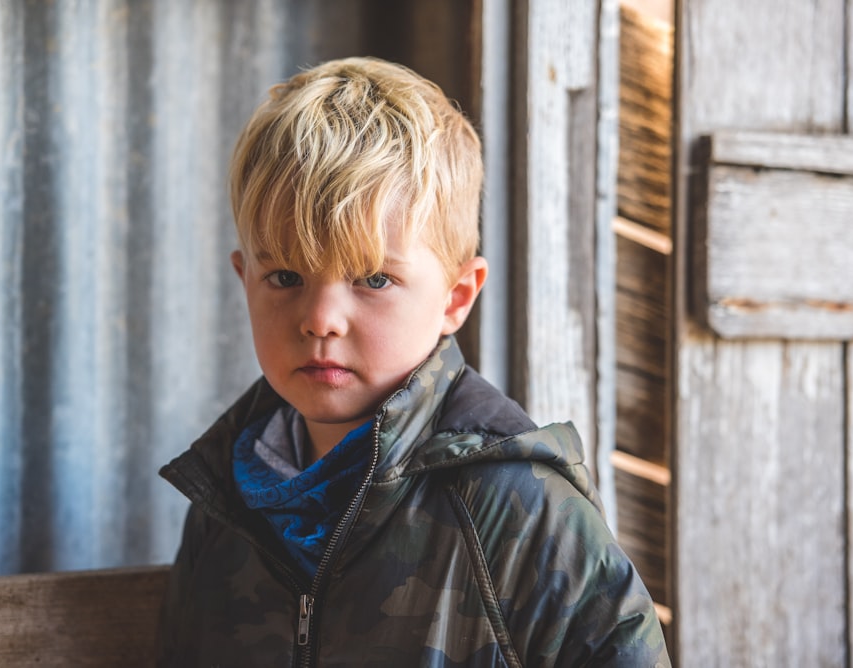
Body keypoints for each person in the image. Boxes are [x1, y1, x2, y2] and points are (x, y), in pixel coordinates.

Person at [156, 56, 670, 667]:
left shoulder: (518, 509)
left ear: (455, 298)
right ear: (245, 281)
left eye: (373, 277)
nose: (321, 318)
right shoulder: (224, 502)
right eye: (286, 275)